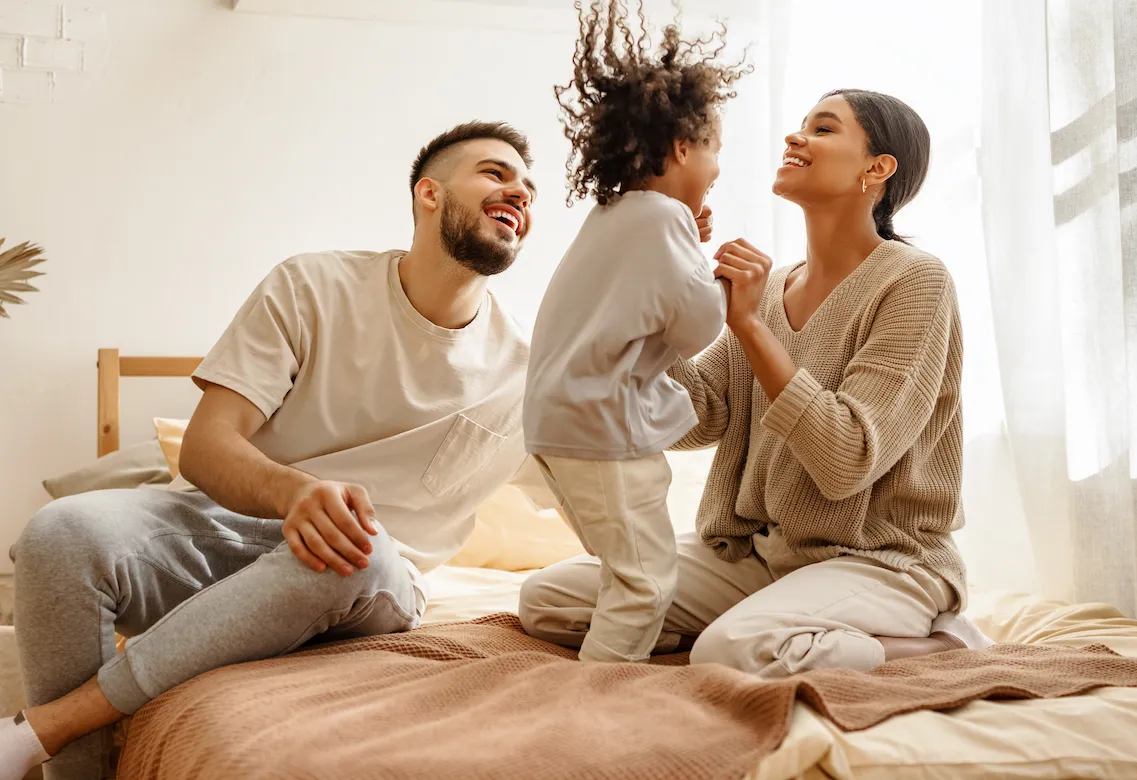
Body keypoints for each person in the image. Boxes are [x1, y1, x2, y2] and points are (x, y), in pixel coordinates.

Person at [4, 121, 551, 780]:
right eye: (496, 173)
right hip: (227, 529)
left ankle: (46, 729)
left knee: (357, 545)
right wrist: (295, 493)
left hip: (363, 577)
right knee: (58, 533)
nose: (519, 191)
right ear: (428, 194)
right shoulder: (312, 287)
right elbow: (207, 448)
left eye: (529, 186)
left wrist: (669, 282)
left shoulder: (536, 368)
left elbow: (649, 436)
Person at [520, 89, 994, 677]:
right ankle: (783, 622)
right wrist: (660, 285)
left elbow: (847, 459)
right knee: (548, 601)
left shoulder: (915, 281)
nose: (796, 138)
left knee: (732, 650)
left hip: (881, 561)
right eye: (799, 126)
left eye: (823, 129)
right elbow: (703, 413)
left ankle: (939, 646)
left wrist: (744, 324)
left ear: (877, 169)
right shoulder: (771, 290)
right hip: (762, 556)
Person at [521, 0, 746, 665]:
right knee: (645, 583)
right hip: (603, 432)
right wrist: (730, 289)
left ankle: (613, 665)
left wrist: (687, 246)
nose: (716, 171)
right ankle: (600, 705)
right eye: (714, 153)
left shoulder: (618, 214)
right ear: (681, 148)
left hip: (558, 427)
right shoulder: (663, 222)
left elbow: (645, 302)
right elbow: (696, 323)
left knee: (626, 570)